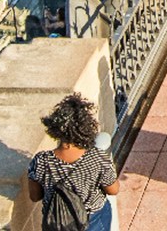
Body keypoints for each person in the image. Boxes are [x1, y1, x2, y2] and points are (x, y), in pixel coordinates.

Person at [25, 93, 120, 231]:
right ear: (86, 128)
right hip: (92, 220)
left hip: (57, 223)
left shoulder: (41, 160)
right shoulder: (97, 158)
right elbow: (113, 190)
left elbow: (35, 196)